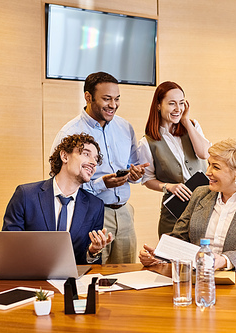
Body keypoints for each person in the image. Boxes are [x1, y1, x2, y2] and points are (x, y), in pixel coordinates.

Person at [50, 72, 149, 264]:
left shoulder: (125, 127)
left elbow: (133, 167)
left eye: (117, 99)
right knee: (93, 273)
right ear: (88, 97)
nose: (113, 105)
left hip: (125, 213)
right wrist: (101, 184)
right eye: (107, 99)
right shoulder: (69, 133)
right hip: (91, 213)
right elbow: (60, 184)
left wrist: (135, 173)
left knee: (125, 276)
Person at [139, 139, 236, 271]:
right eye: (209, 164)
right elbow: (179, 236)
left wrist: (224, 260)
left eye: (216, 167)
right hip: (195, 277)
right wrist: (160, 255)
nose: (208, 172)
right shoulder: (200, 194)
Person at [3, 133, 113, 264]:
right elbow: (9, 246)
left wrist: (92, 252)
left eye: (95, 159)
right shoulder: (26, 195)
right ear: (64, 156)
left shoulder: (95, 206)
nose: (93, 163)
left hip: (72, 282)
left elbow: (91, 265)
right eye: (86, 154)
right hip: (30, 278)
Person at [138, 81, 211, 236]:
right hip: (173, 216)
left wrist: (185, 121)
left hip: (204, 209)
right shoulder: (147, 142)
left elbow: (204, 154)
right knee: (171, 259)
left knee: (202, 257)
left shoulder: (192, 126)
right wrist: (168, 186)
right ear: (158, 105)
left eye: (181, 103)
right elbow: (147, 179)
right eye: (172, 104)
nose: (178, 109)